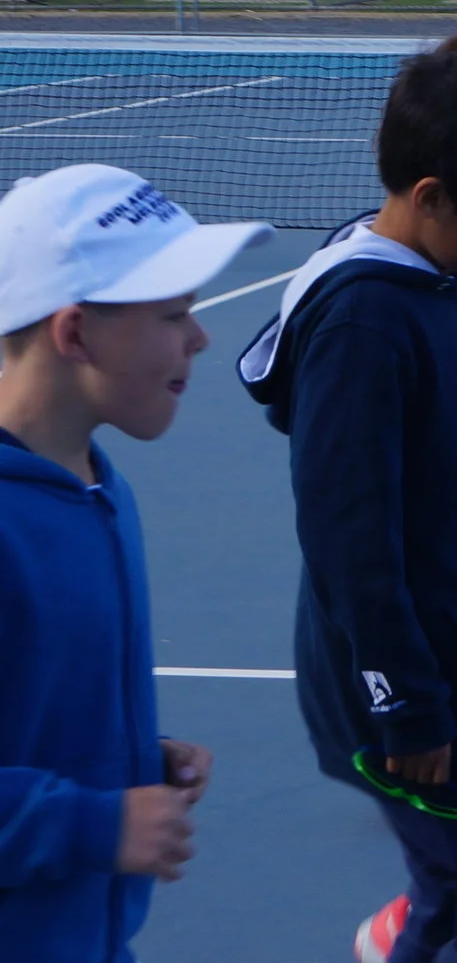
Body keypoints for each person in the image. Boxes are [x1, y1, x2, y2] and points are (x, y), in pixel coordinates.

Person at [240, 53, 457, 963]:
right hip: (427, 694)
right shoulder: (367, 323)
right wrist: (406, 702)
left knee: (451, 899)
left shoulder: (443, 280)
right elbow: (347, 537)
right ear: (432, 197)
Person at [0, 167, 266, 963]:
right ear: (76, 334)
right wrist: (91, 821)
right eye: (174, 313)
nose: (200, 336)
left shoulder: (95, 487)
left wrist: (128, 756)